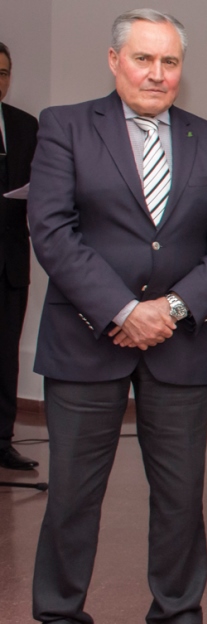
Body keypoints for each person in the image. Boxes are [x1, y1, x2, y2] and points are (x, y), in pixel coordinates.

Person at [6, 9, 207, 624]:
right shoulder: (64, 126)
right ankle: (59, 623)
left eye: (169, 61)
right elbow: (51, 227)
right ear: (114, 61)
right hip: (87, 338)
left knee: (181, 491)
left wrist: (171, 308)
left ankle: (178, 617)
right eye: (144, 59)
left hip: (177, 340)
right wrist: (121, 309)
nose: (157, 73)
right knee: (73, 494)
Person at [0, 41, 39, 472]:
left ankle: (2, 441)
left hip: (11, 260)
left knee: (5, 354)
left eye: (4, 73)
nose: (0, 81)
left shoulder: (26, 126)